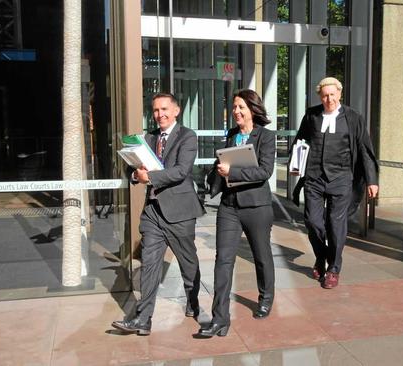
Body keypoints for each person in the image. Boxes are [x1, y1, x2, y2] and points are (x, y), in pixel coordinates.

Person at [112, 92, 205, 336]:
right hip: (153, 212)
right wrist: (134, 175)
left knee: (188, 263)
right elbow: (132, 168)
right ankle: (143, 318)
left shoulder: (188, 136)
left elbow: (181, 171)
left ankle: (192, 300)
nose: (159, 114)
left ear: (176, 111)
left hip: (180, 213)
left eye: (164, 109)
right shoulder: (149, 138)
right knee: (150, 264)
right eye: (155, 110)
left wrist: (149, 177)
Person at [197, 89, 276, 338]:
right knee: (223, 260)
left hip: (256, 207)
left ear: (252, 109)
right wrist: (216, 174)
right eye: (234, 107)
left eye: (241, 107)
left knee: (261, 256)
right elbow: (221, 164)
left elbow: (264, 172)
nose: (236, 111)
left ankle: (265, 298)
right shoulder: (231, 135)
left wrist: (232, 172)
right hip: (229, 206)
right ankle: (220, 318)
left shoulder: (266, 136)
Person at [290, 77, 379, 289]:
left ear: (339, 93)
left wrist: (371, 180)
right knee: (312, 221)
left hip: (341, 178)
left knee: (336, 223)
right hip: (314, 177)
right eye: (324, 95)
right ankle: (322, 257)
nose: (329, 99)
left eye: (332, 94)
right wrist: (295, 166)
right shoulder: (311, 115)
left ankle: (333, 269)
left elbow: (365, 150)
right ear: (320, 96)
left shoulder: (353, 118)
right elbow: (300, 142)